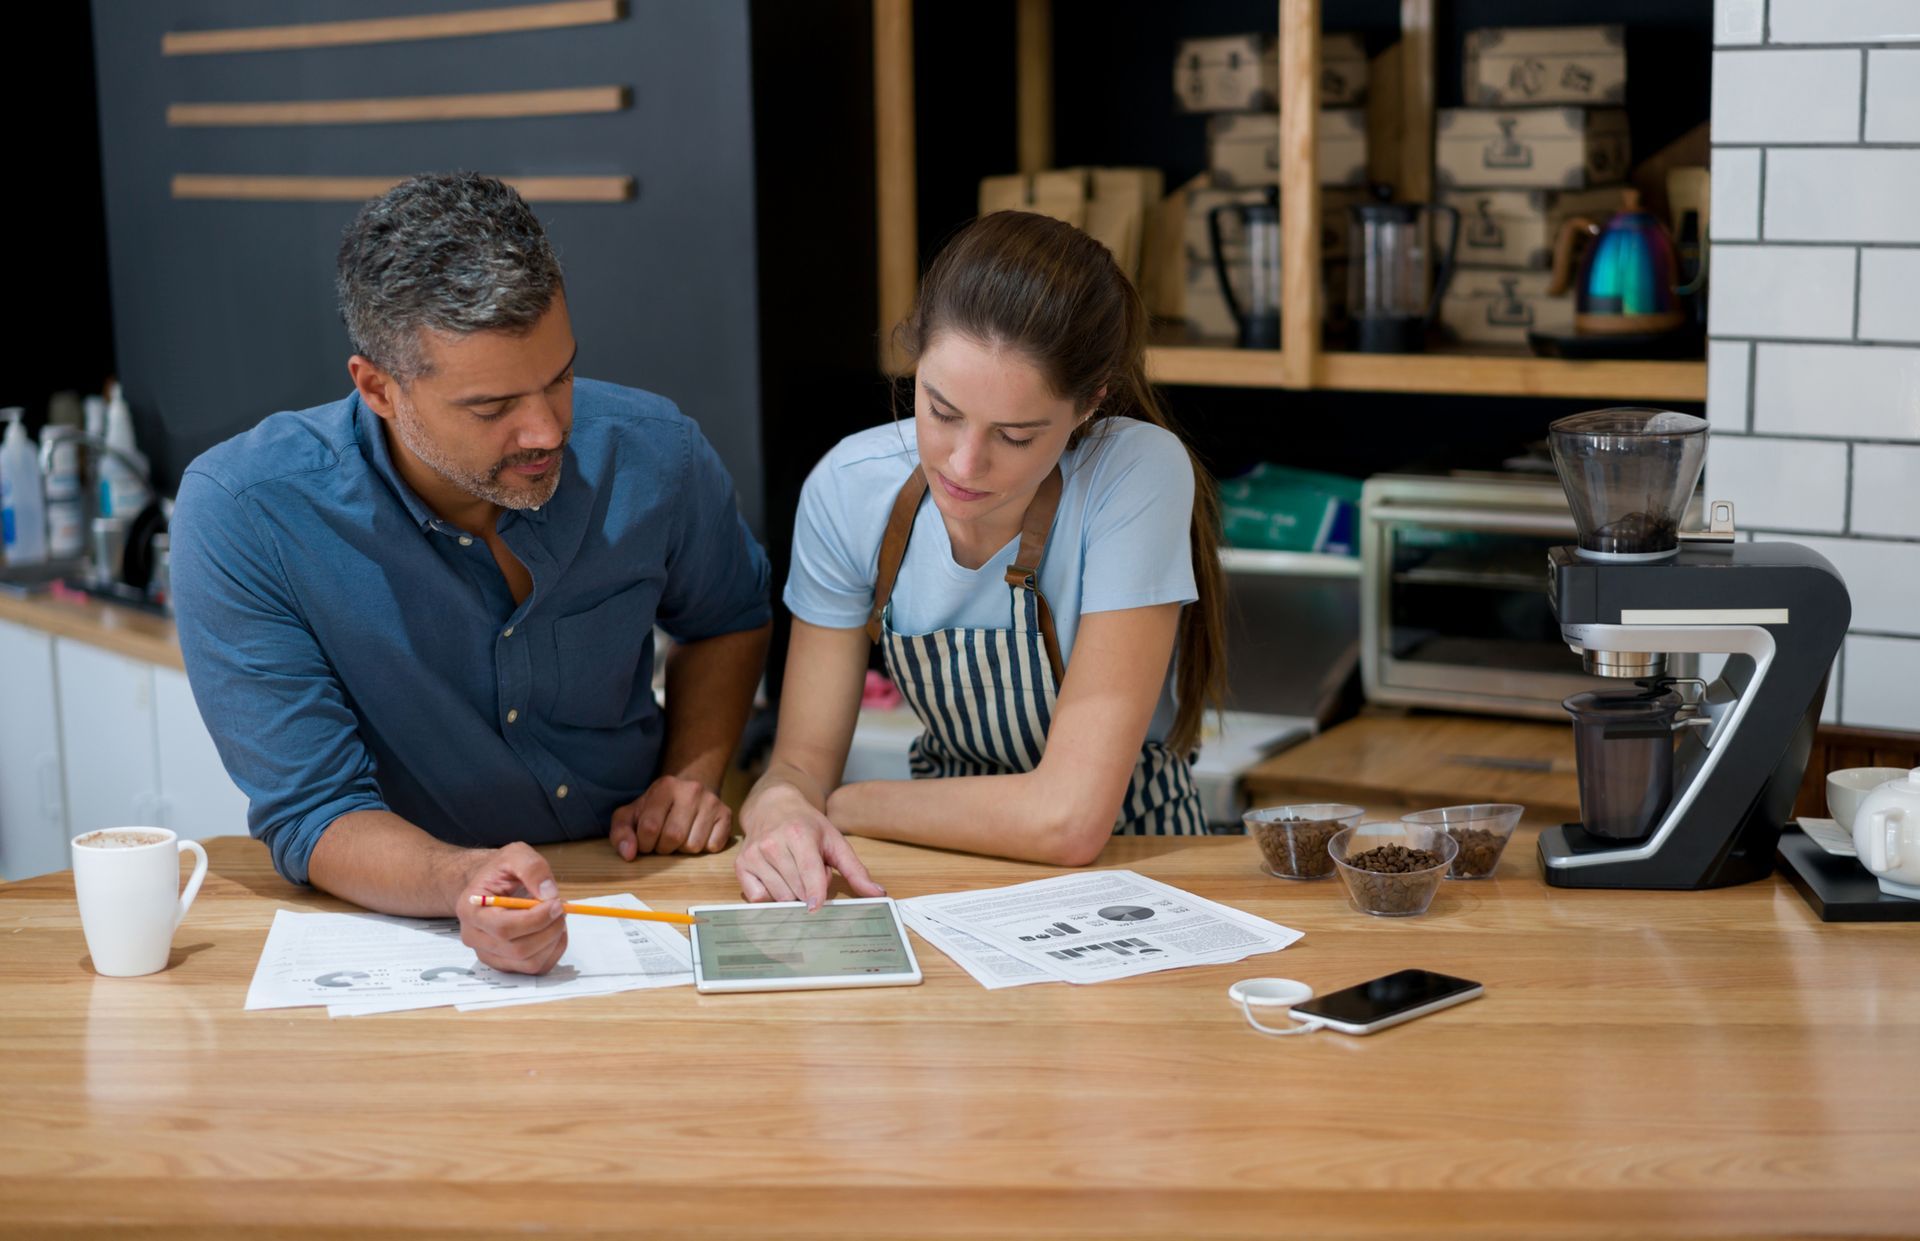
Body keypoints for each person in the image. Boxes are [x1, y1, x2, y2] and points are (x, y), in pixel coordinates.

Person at [170, 173, 771, 975]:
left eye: (559, 377)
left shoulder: (656, 451)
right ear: (378, 387)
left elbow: (730, 614)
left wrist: (692, 772)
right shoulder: (246, 513)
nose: (548, 429)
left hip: (645, 889)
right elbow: (315, 811)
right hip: (407, 923)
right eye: (492, 408)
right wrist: (460, 881)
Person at [736, 210, 1226, 907]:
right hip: (935, 866)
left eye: (1017, 436)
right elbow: (797, 763)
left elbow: (1069, 820)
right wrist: (782, 805)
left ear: (1091, 403)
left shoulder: (1135, 471)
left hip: (1134, 863)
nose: (964, 464)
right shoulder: (848, 489)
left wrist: (840, 805)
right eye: (940, 411)